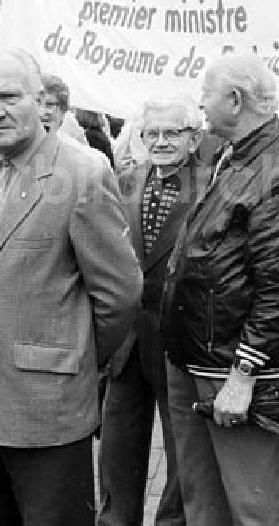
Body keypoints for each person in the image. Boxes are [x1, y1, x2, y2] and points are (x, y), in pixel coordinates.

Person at [0, 48, 142, 525]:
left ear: (40, 101)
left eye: (9, 96)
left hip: (48, 408)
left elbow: (118, 295)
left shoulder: (82, 172)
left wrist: (73, 361)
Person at [162, 52, 279, 525]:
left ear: (235, 100)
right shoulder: (234, 155)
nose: (200, 105)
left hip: (231, 368)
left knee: (258, 508)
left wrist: (244, 375)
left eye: (206, 94)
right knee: (204, 502)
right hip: (200, 357)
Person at [98, 95, 208, 526]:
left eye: (172, 133)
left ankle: (171, 523)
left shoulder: (212, 186)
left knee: (183, 448)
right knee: (117, 446)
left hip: (177, 339)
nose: (161, 142)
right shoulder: (124, 180)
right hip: (126, 339)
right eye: (152, 134)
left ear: (193, 137)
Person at [38, 72, 89, 144]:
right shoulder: (19, 148)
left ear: (63, 110)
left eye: (50, 104)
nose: (41, 112)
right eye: (37, 103)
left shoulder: (75, 150)